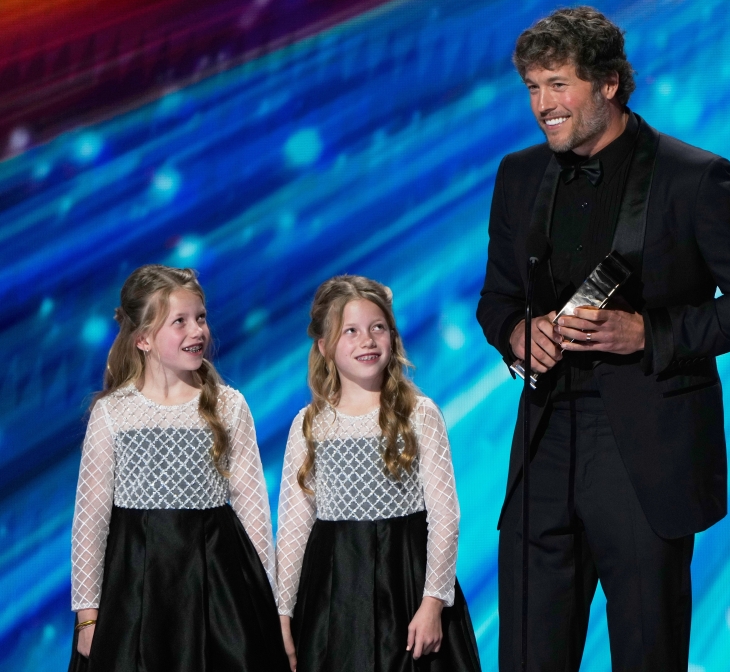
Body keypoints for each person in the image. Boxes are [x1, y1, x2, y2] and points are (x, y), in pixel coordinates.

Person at [476, 6, 730, 671]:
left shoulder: (693, 177)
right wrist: (515, 333)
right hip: (543, 443)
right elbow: (497, 299)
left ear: (609, 84)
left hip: (646, 445)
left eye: (558, 84)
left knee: (646, 652)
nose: (543, 105)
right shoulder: (518, 175)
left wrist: (649, 334)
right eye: (532, 88)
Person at [68, 264, 287, 672]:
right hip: (137, 589)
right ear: (144, 339)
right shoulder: (114, 414)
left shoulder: (228, 406)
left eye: (201, 318)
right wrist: (88, 615)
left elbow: (254, 512)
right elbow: (91, 519)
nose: (197, 331)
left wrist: (267, 601)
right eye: (180, 322)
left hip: (219, 588)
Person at [275, 275, 481, 672]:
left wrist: (433, 602)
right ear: (324, 345)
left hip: (407, 588)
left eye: (377, 328)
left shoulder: (419, 414)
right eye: (350, 331)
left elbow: (445, 516)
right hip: (333, 596)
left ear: (393, 335)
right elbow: (293, 530)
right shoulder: (310, 425)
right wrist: (284, 614)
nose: (366, 340)